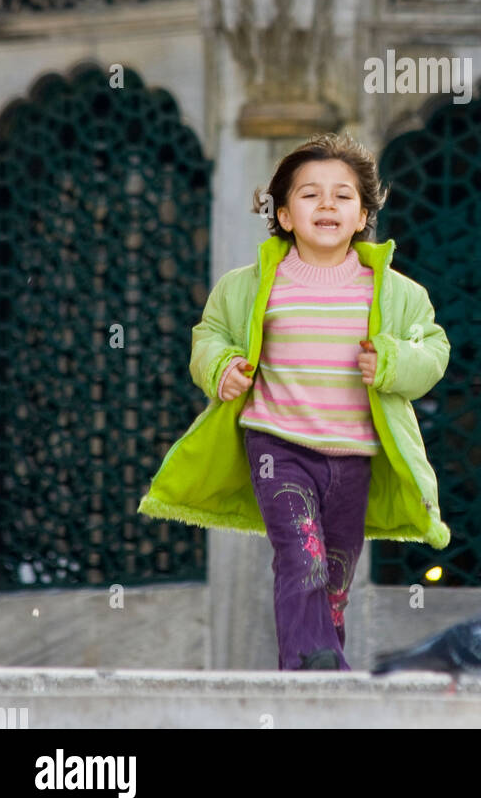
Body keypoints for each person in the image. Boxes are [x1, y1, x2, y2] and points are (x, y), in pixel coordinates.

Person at [137, 131, 450, 670]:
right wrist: (222, 368)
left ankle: (310, 678)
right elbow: (209, 335)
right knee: (301, 558)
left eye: (343, 195)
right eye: (309, 194)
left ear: (362, 217)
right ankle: (314, 662)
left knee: (334, 575)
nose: (327, 203)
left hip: (354, 456)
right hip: (277, 448)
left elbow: (434, 349)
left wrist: (393, 362)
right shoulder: (251, 285)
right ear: (283, 215)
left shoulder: (396, 292)